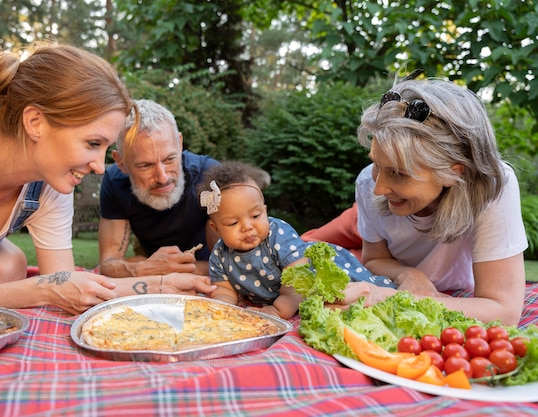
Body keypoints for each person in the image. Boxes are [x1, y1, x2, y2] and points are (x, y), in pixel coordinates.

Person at [0, 43, 214, 316]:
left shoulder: (50, 183)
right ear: (35, 123)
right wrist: (42, 289)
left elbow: (67, 282)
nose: (99, 166)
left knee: (9, 265)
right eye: (93, 144)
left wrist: (164, 284)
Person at [329, 77, 528, 326]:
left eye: (399, 173)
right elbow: (373, 259)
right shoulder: (367, 182)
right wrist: (408, 274)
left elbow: (504, 312)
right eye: (376, 165)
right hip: (397, 289)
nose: (378, 188)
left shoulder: (495, 187)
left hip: (458, 300)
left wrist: (388, 300)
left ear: (454, 172)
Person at [98, 99, 220, 278]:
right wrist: (143, 269)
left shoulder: (210, 176)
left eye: (170, 159)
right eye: (145, 166)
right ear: (121, 163)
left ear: (179, 143)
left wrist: (167, 270)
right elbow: (108, 265)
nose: (162, 178)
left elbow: (243, 258)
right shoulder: (115, 182)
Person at [196, 161, 306, 319]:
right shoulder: (220, 254)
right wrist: (224, 307)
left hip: (302, 290)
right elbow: (224, 289)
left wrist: (277, 311)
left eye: (256, 216)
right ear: (216, 228)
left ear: (265, 211)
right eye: (233, 223)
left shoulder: (278, 235)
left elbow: (297, 282)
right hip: (267, 299)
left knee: (334, 298)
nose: (247, 226)